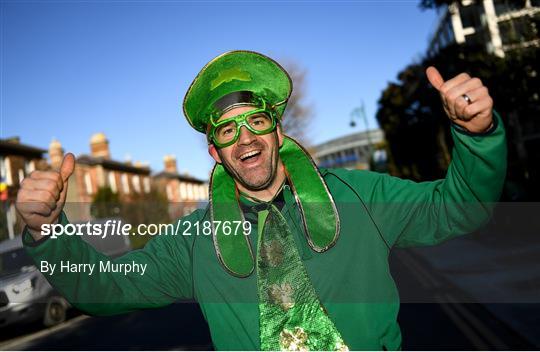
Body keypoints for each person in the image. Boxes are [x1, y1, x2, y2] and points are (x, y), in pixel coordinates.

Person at [16, 50, 506, 350]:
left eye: (256, 121)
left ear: (277, 128)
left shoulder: (364, 195)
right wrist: (45, 231)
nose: (244, 138)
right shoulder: (193, 239)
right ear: (214, 150)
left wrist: (478, 136)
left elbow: (460, 206)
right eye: (227, 130)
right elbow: (106, 289)